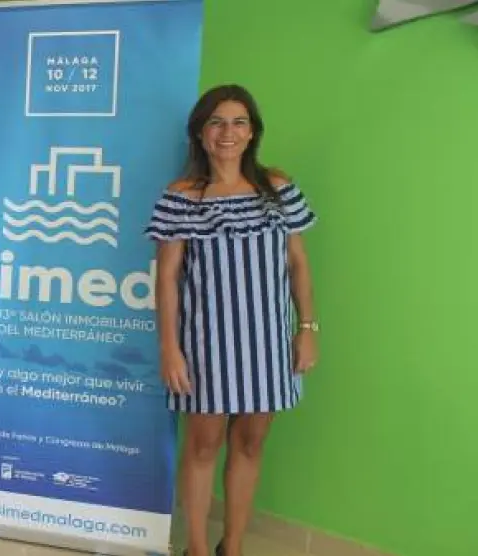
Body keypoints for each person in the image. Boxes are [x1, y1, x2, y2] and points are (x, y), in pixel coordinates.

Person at [144, 84, 319, 556]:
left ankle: (233, 546)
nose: (228, 132)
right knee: (203, 445)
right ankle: (198, 549)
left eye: (239, 122)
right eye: (217, 122)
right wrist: (169, 348)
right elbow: (167, 279)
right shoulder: (181, 197)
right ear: (200, 133)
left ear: (252, 132)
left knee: (251, 443)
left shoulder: (277, 188)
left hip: (268, 343)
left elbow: (298, 263)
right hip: (206, 345)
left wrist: (307, 329)